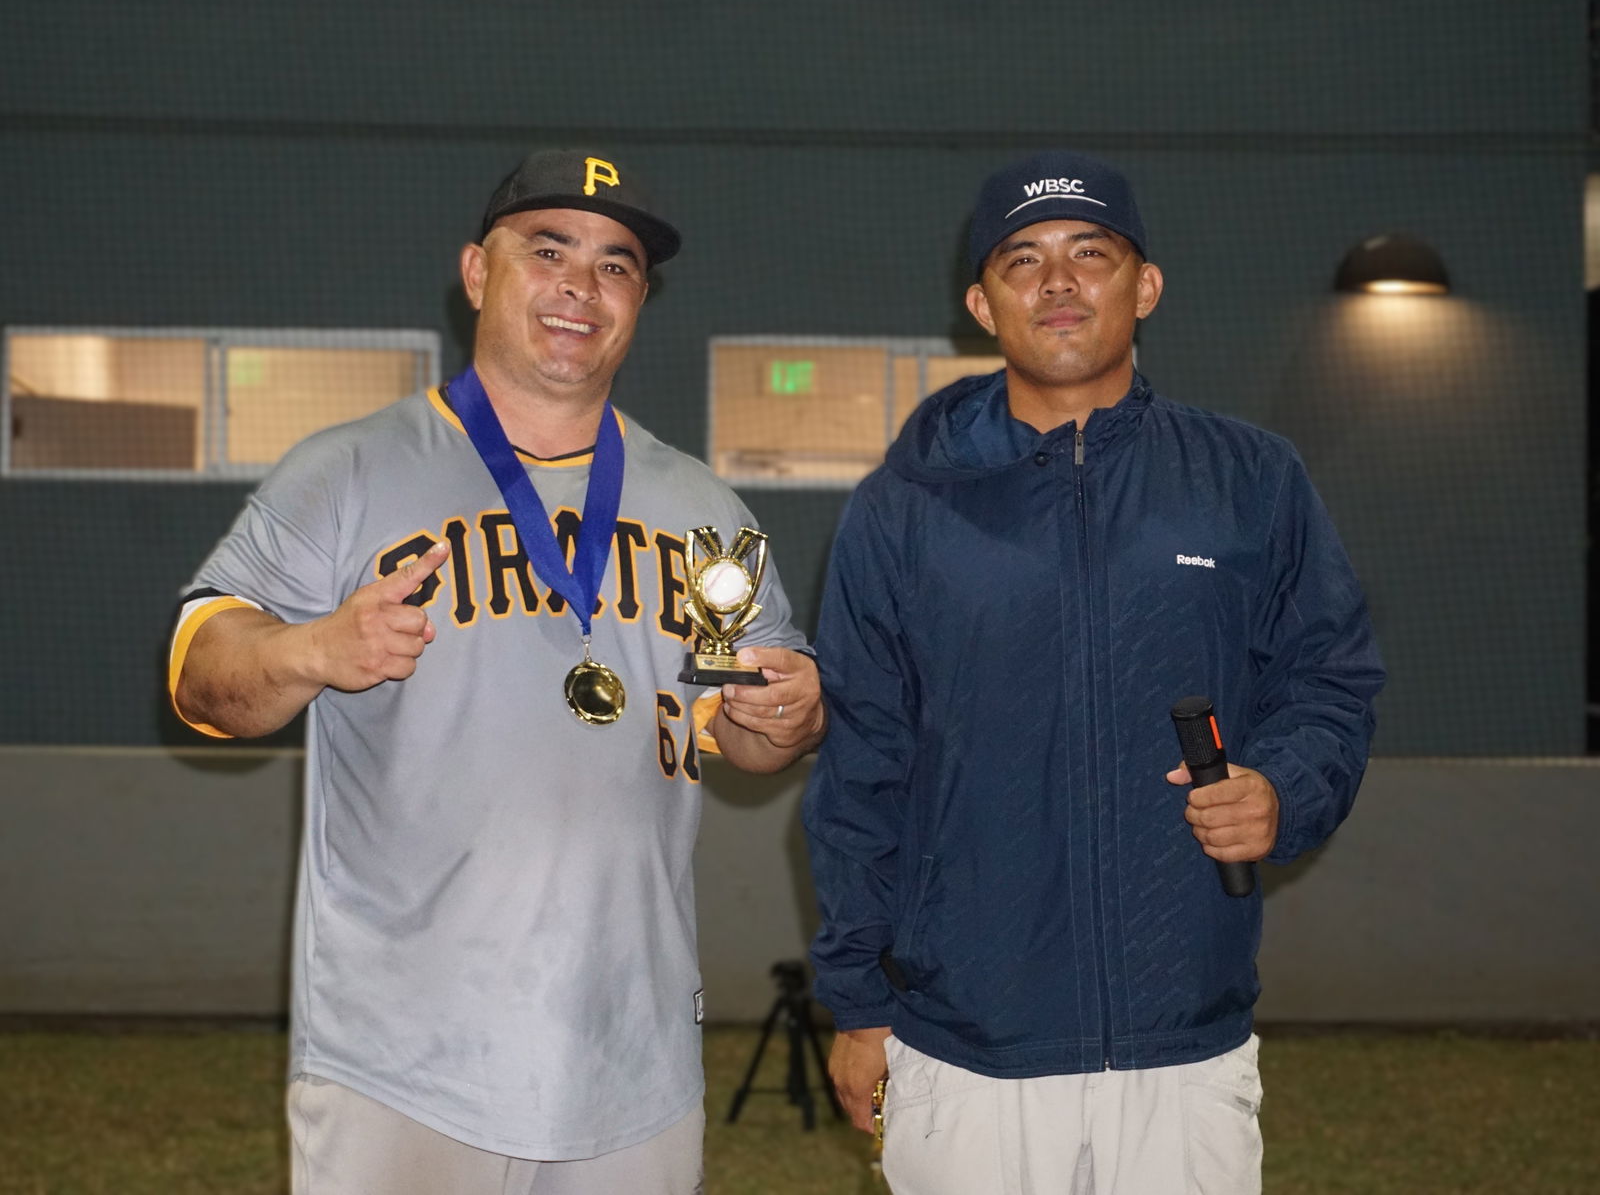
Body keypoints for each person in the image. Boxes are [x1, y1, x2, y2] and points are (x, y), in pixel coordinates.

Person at [168, 149, 825, 1194]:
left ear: (639, 300)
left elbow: (735, 731)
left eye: (617, 265)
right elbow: (200, 676)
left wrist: (783, 720)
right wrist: (313, 649)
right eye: (549, 249)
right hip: (402, 1062)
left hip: (632, 1056)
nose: (581, 285)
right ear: (478, 272)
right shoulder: (348, 469)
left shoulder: (704, 508)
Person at [803, 150, 1383, 1194]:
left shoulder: (1250, 480)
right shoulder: (901, 508)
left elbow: (1328, 680)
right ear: (982, 303)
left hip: (1184, 1046)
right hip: (963, 1049)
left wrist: (1284, 788)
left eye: (1090, 252)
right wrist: (858, 1001)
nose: (1058, 282)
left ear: (1143, 285)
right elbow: (860, 765)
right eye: (1022, 260)